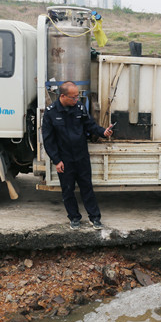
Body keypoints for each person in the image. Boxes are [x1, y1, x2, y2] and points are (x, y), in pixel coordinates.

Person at [42, 81, 113, 229]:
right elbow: (48, 140)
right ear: (63, 96)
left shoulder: (79, 107)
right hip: (65, 159)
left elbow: (90, 125)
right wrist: (57, 160)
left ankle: (95, 218)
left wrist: (103, 132)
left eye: (77, 97)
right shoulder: (50, 112)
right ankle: (74, 218)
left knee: (87, 187)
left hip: (81, 157)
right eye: (73, 97)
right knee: (68, 190)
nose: (76, 100)